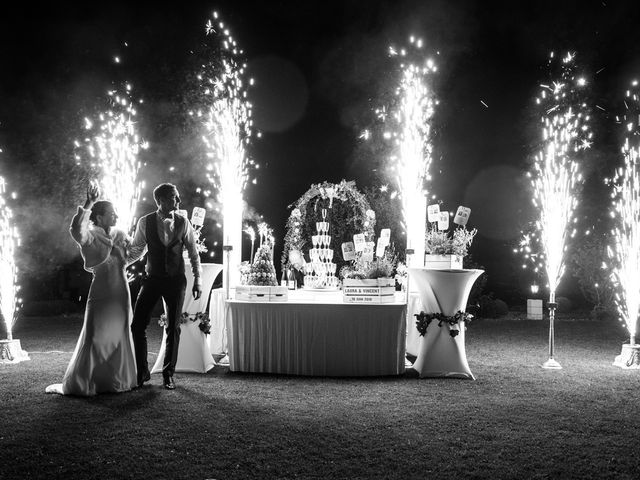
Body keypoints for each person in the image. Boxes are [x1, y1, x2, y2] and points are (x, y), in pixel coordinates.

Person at [46, 183, 137, 396]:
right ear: (99, 217)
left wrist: (145, 245)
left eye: (115, 213)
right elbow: (76, 229)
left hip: (121, 292)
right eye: (111, 213)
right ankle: (86, 382)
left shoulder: (120, 235)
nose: (116, 216)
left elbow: (129, 258)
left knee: (119, 336)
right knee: (95, 337)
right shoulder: (90, 236)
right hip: (102, 293)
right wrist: (90, 203)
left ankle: (115, 381)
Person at [128, 183, 202, 390]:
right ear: (160, 200)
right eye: (173, 197)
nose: (178, 201)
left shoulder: (184, 222)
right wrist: (115, 264)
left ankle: (168, 374)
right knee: (137, 326)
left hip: (176, 281)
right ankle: (142, 373)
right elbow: (136, 251)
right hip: (152, 279)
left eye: (177, 197)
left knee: (173, 328)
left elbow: (194, 254)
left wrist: (198, 280)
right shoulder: (145, 222)